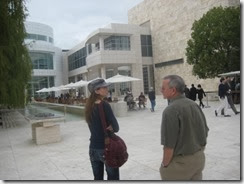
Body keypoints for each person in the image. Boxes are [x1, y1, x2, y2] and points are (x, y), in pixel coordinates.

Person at [160, 75, 209, 180]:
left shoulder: (170, 110)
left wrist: (164, 165)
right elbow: (205, 131)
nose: (161, 90)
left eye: (163, 88)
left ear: (173, 90)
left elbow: (169, 145)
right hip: (199, 159)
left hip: (180, 165)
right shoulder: (194, 105)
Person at [85, 78, 120, 180]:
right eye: (104, 87)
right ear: (96, 91)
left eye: (106, 87)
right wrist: (110, 127)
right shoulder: (104, 105)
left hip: (93, 148)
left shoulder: (88, 106)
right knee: (113, 178)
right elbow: (116, 127)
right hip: (106, 148)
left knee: (97, 178)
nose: (107, 89)